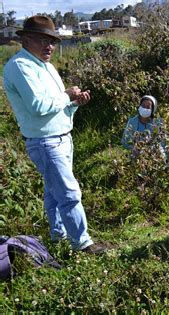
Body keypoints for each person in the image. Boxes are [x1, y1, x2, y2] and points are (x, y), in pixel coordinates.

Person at [3, 16, 104, 254]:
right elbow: (38, 106)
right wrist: (67, 96)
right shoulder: (20, 67)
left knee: (54, 192)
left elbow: (55, 105)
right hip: (45, 141)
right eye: (43, 40)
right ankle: (82, 244)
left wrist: (74, 103)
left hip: (61, 137)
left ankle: (58, 236)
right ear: (26, 40)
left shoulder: (47, 66)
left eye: (52, 41)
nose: (49, 46)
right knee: (68, 192)